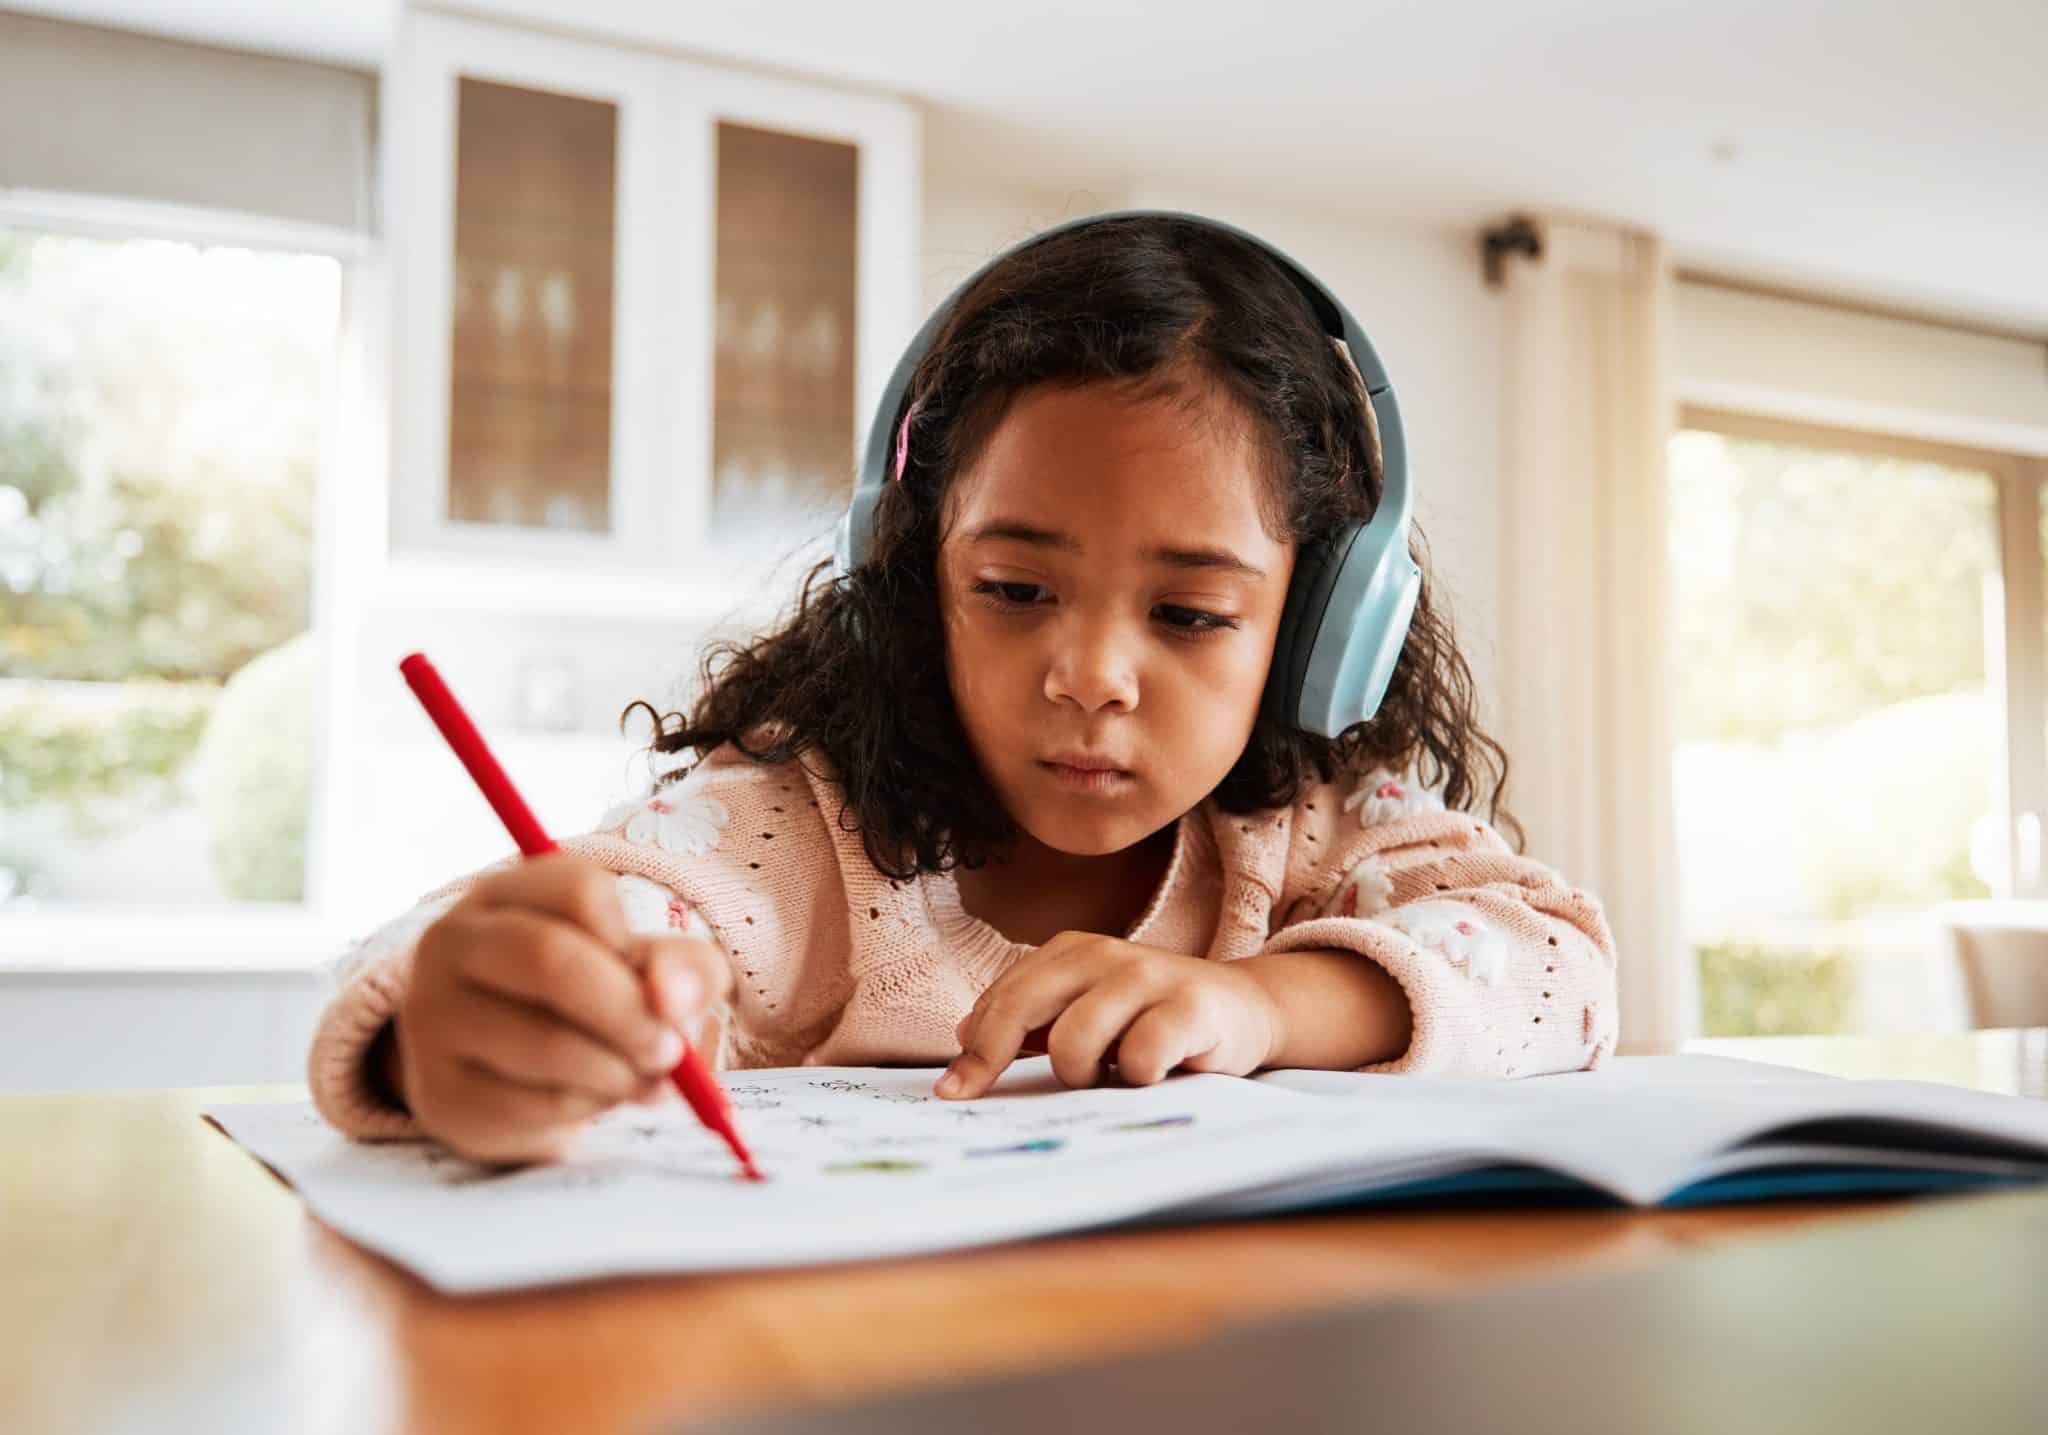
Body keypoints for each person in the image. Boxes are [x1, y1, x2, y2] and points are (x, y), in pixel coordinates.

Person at [309, 212, 1618, 1164]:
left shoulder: (1324, 829)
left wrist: (1270, 1000)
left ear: (1321, 624)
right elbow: (500, 943)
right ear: (905, 576)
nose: (1093, 677)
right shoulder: (798, 832)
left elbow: (1560, 966)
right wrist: (458, 1021)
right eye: (1013, 588)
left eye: (1189, 614)